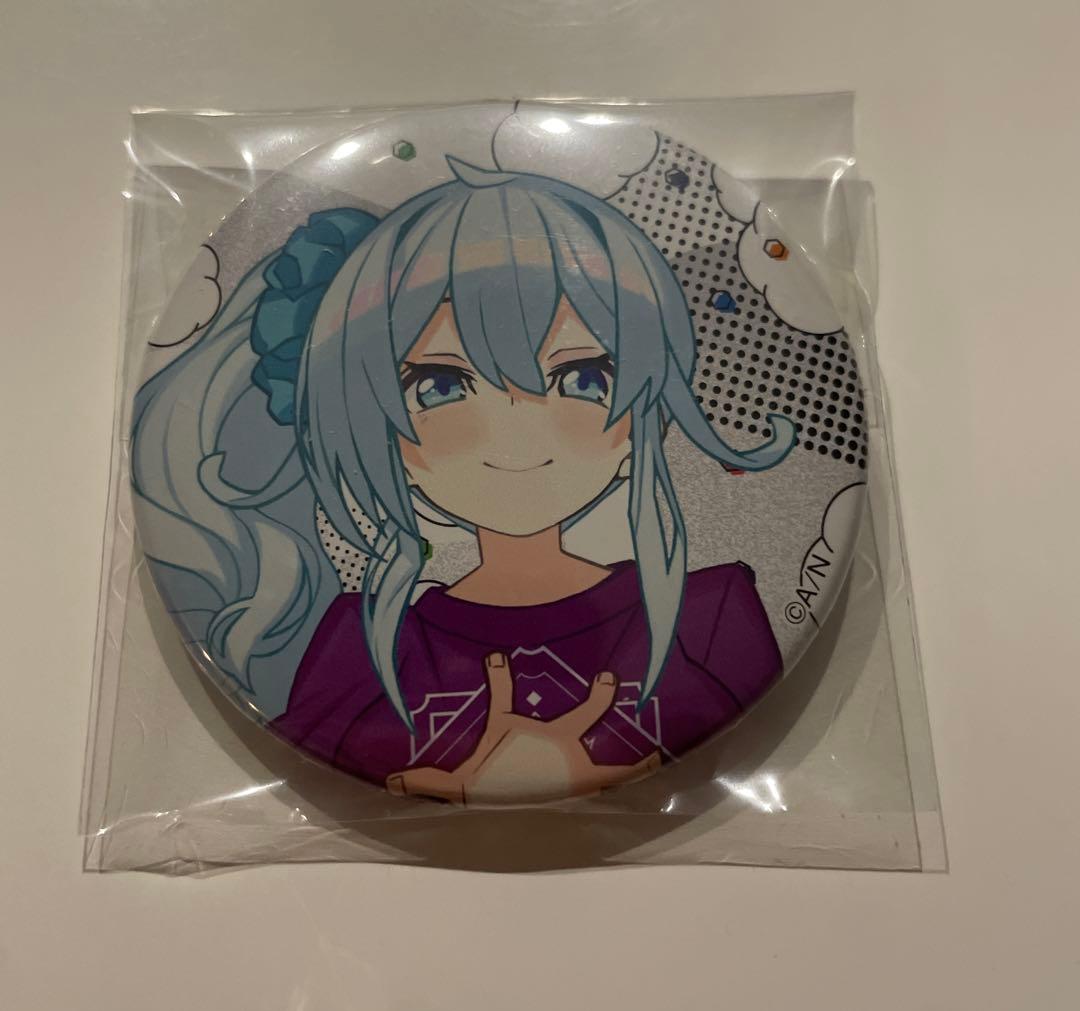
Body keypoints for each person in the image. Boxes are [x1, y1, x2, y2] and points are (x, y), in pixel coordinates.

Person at [132, 157, 795, 804]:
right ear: (375, 427)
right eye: (442, 385)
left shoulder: (708, 619)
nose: (517, 431)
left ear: (642, 418)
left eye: (582, 378)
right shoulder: (362, 653)